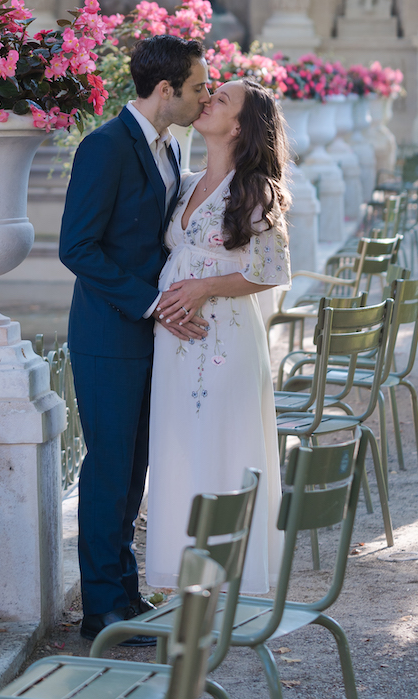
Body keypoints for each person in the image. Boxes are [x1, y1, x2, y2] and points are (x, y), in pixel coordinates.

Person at [59, 35, 212, 642]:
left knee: (134, 470)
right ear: (166, 90)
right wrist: (151, 303)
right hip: (106, 335)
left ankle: (124, 590)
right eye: (198, 87)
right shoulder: (105, 147)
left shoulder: (170, 146)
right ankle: (101, 608)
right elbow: (76, 247)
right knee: (108, 469)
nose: (204, 97)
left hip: (149, 337)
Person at [145, 78, 292, 593]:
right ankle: (183, 578)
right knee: (179, 447)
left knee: (223, 447)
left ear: (238, 125)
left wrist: (205, 286)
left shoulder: (255, 189)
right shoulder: (184, 183)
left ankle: (233, 580)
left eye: (221, 99)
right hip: (173, 344)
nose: (207, 100)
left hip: (225, 341)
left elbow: (272, 270)